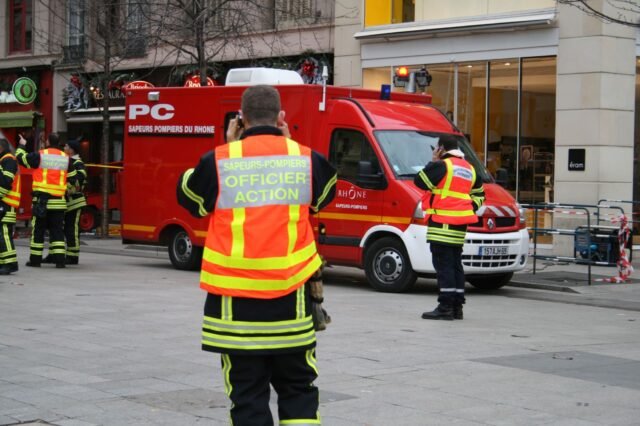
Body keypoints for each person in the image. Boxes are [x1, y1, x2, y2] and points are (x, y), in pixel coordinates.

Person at [177, 85, 337, 425]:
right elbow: (323, 197)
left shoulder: (221, 159)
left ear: (241, 118)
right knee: (299, 392)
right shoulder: (305, 158)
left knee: (247, 398)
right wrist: (289, 142)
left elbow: (189, 195)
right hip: (291, 306)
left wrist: (229, 143)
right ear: (281, 117)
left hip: (236, 311)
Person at [414, 135, 485, 320]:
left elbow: (420, 181)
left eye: (436, 148)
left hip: (441, 224)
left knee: (443, 265)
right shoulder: (469, 168)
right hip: (460, 226)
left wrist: (433, 161)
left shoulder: (442, 166)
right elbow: (480, 196)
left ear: (441, 148)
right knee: (455, 265)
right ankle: (456, 307)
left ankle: (445, 306)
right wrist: (466, 208)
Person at [16, 133, 72, 268]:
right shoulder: (65, 158)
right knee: (57, 231)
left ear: (47, 141)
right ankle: (60, 261)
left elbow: (21, 158)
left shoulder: (41, 154)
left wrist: (22, 145)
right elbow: (71, 174)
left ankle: (35, 260)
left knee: (38, 231)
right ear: (59, 143)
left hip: (42, 201)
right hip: (59, 202)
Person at [62, 138, 87, 265]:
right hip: (66, 202)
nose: (64, 148)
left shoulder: (77, 163)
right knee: (66, 229)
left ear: (71, 150)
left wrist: (67, 188)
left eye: (66, 146)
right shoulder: (67, 161)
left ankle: (73, 256)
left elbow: (79, 180)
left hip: (75, 202)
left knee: (72, 229)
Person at [0, 138, 21, 275]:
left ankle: (10, 263)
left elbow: (6, 182)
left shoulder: (8, 160)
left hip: (7, 202)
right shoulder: (5, 160)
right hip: (4, 201)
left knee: (4, 234)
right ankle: (4, 263)